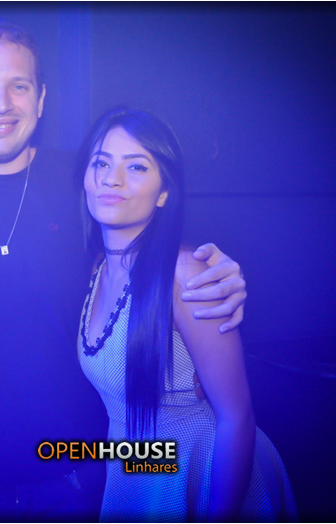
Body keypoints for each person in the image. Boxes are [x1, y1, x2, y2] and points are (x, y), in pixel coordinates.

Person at [0, 21, 248, 521]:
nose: (0, 103)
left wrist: (219, 270)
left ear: (41, 99)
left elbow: (155, 241)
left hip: (77, 476)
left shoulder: (86, 180)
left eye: (18, 85)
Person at [77, 107, 297, 522]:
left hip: (206, 473)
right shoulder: (98, 269)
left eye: (136, 166)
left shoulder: (184, 272)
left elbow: (236, 416)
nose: (112, 179)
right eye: (101, 163)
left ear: (164, 193)